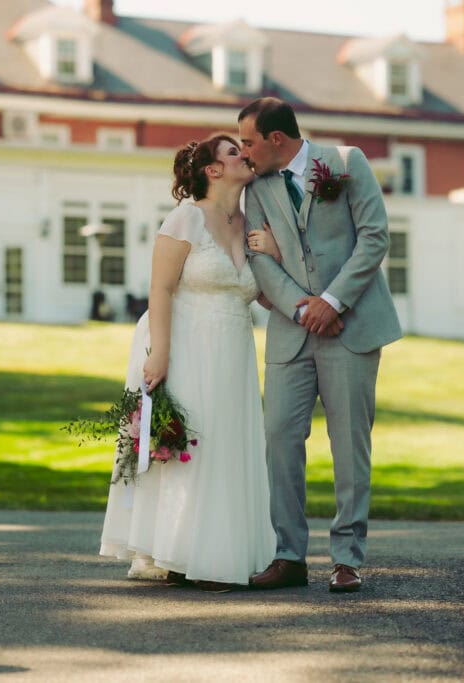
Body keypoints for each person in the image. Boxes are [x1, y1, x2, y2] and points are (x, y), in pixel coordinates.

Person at [99, 134, 276, 592]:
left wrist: (274, 255)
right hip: (186, 342)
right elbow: (160, 288)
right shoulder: (186, 217)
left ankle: (216, 551)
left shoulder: (251, 223)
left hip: (234, 350)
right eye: (234, 151)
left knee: (225, 446)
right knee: (189, 446)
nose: (245, 155)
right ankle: (177, 551)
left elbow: (267, 297)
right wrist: (160, 351)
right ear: (213, 170)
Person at [239, 97, 402, 593]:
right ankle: (288, 556)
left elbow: (374, 238)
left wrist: (333, 302)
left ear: (276, 140)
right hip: (292, 333)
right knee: (280, 441)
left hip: (352, 329)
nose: (243, 152)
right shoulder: (257, 188)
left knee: (349, 445)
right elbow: (258, 256)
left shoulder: (348, 163)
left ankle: (347, 558)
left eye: (248, 141)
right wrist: (305, 309)